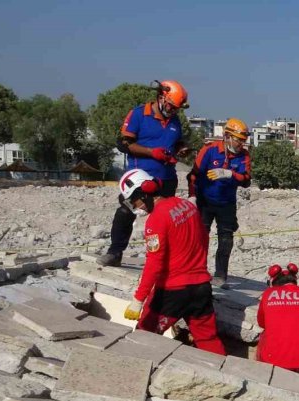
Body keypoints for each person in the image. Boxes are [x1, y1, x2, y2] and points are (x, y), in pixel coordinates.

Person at [120, 169, 226, 355]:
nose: (136, 206)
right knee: (208, 340)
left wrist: (138, 300)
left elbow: (154, 264)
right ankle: (227, 376)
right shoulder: (187, 206)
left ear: (144, 193)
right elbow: (204, 238)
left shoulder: (156, 220)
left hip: (172, 291)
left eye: (134, 200)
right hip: (201, 287)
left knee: (144, 337)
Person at [99, 80, 189, 267]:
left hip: (166, 177)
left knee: (167, 220)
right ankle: (115, 253)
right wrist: (151, 151)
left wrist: (181, 149)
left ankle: (167, 261)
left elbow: (177, 141)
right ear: (161, 97)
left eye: (176, 109)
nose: (173, 111)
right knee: (126, 212)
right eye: (171, 107)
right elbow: (124, 144)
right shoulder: (139, 114)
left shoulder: (174, 121)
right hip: (141, 178)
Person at [189, 118, 252, 288]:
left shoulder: (244, 155)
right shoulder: (209, 150)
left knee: (226, 239)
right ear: (227, 136)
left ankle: (220, 275)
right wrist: (192, 196)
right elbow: (193, 174)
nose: (240, 144)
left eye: (243, 140)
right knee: (200, 237)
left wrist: (230, 174)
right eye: (238, 139)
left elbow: (246, 180)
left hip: (226, 203)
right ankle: (197, 270)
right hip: (205, 201)